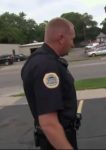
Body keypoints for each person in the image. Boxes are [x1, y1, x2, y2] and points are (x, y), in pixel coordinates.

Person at [21, 17, 79, 150]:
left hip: (53, 139)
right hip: (56, 141)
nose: (73, 44)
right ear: (61, 37)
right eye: (72, 39)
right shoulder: (47, 66)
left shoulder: (37, 60)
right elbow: (49, 123)